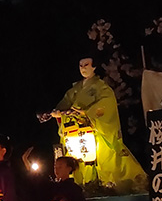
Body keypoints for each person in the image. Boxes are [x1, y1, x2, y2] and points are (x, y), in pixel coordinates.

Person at [48, 56, 147, 193]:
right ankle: (83, 186)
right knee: (78, 161)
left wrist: (87, 112)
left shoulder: (101, 87)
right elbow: (64, 103)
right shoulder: (75, 89)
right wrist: (58, 112)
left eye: (86, 65)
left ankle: (106, 186)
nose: (83, 68)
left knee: (103, 158)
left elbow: (106, 104)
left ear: (94, 67)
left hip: (94, 131)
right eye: (81, 65)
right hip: (76, 132)